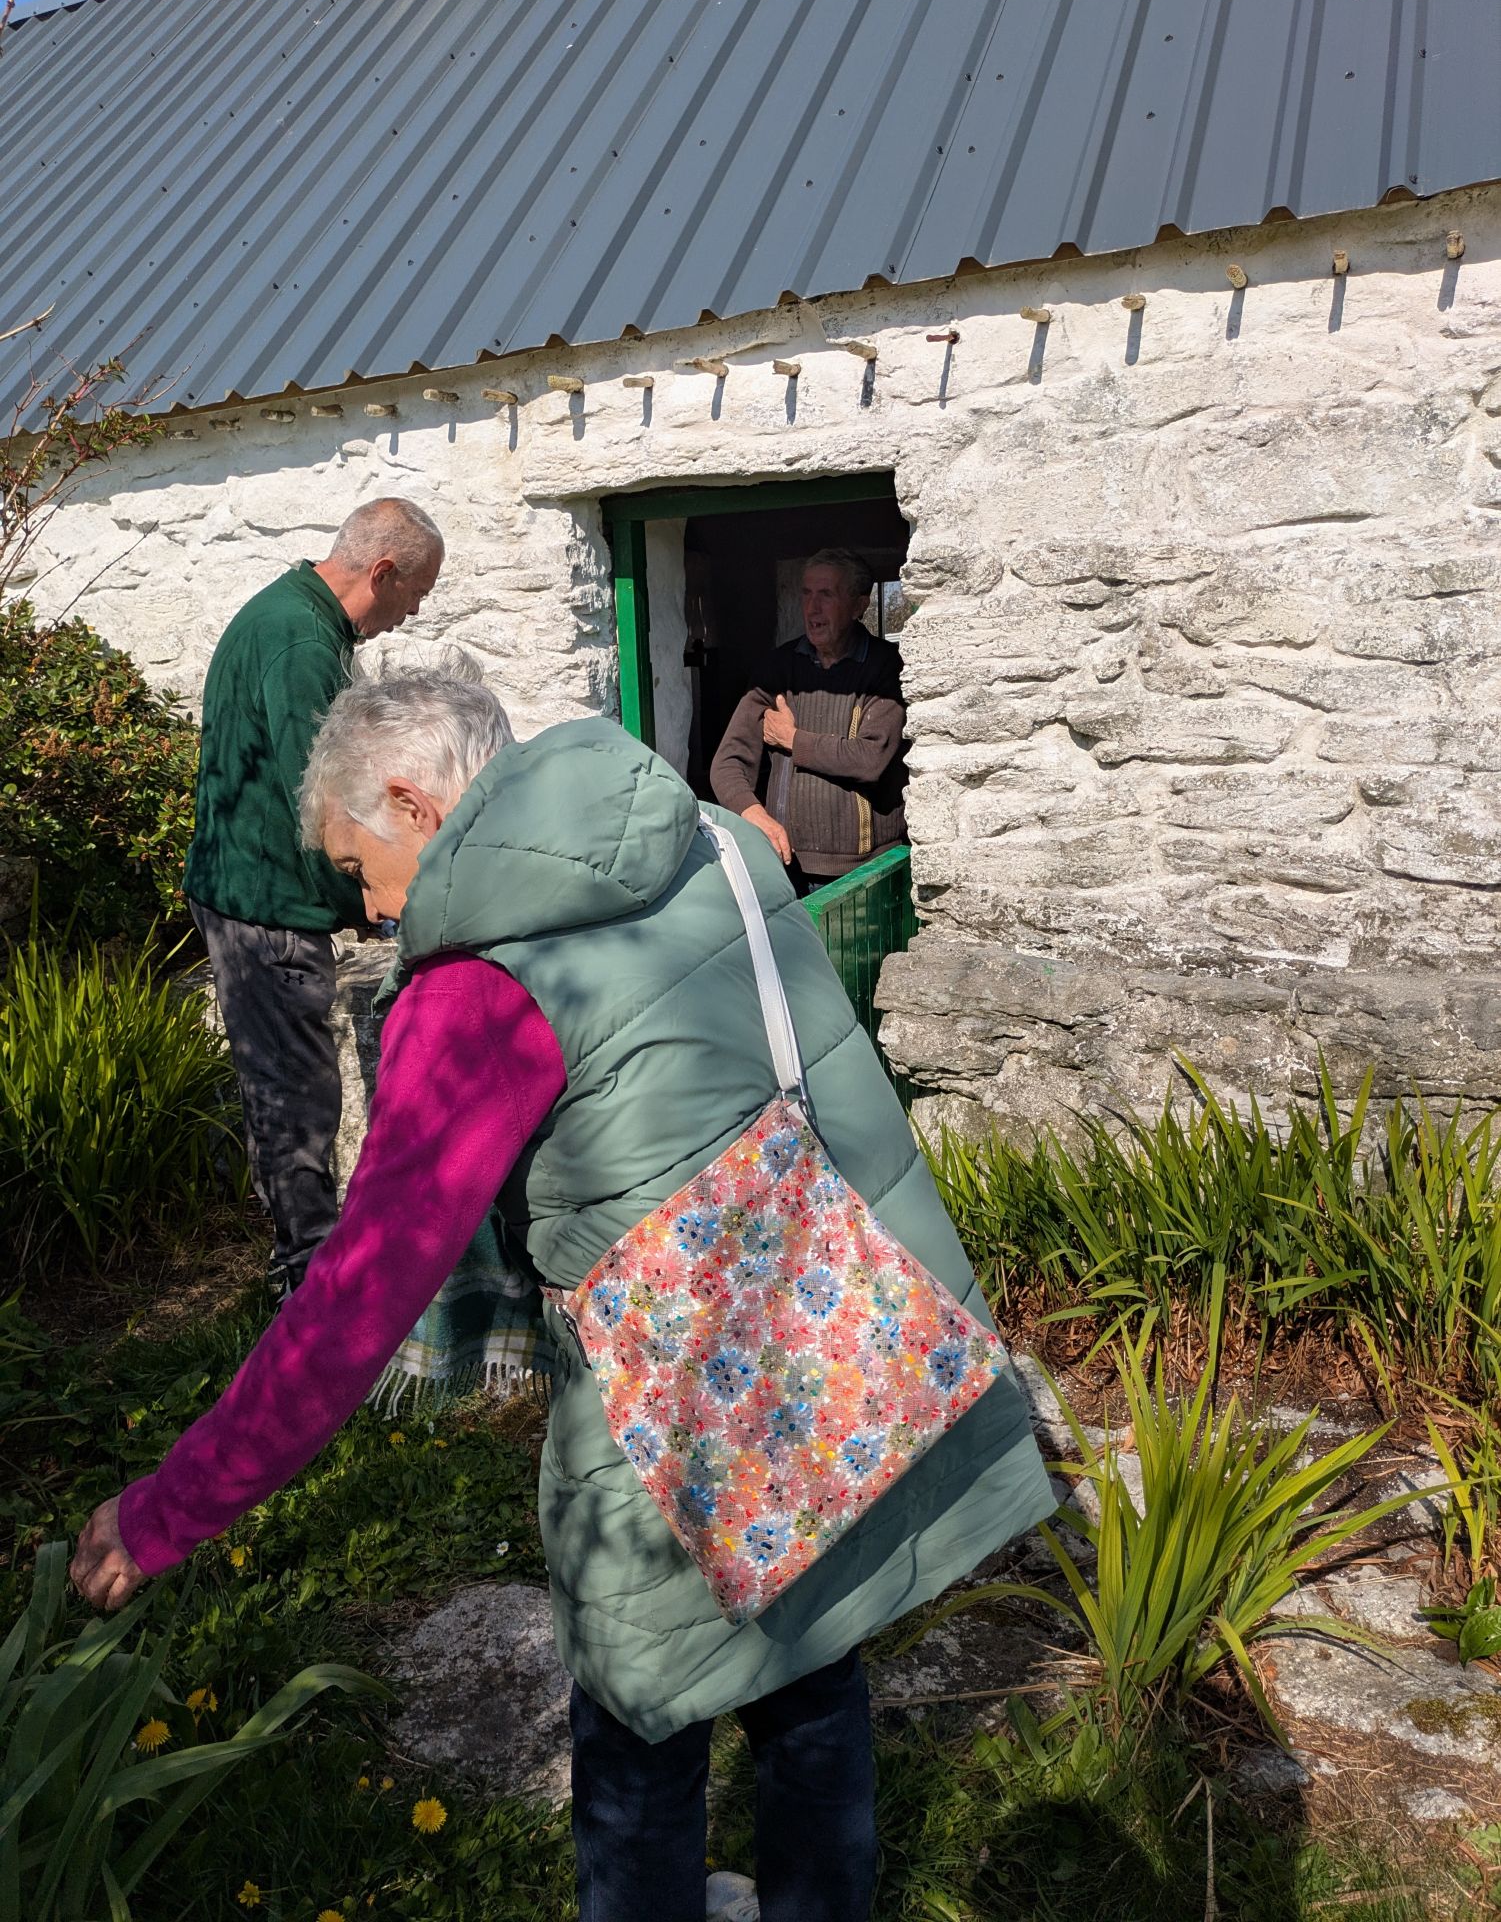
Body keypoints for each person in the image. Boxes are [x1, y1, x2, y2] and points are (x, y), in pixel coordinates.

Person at [71, 664, 1053, 1922]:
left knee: (639, 1720)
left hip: (674, 1391)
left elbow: (355, 1300)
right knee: (811, 1670)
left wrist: (166, 1508)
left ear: (415, 804)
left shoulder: (480, 983)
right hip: (819, 1329)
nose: (370, 913)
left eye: (361, 872)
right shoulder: (704, 839)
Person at [183, 496, 445, 1294]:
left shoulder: (301, 618)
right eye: (416, 593)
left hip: (262, 888)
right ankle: (305, 1278)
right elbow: (329, 794)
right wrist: (374, 892)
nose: (412, 612)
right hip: (261, 901)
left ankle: (310, 1265)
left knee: (293, 1080)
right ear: (383, 572)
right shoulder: (299, 637)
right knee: (294, 1090)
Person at [710, 547, 907, 892]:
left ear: (859, 605)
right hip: (784, 864)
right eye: (806, 593)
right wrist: (753, 814)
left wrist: (792, 739)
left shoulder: (886, 666)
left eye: (826, 594)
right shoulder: (777, 668)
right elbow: (728, 762)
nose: (812, 607)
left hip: (867, 873)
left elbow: (870, 758)